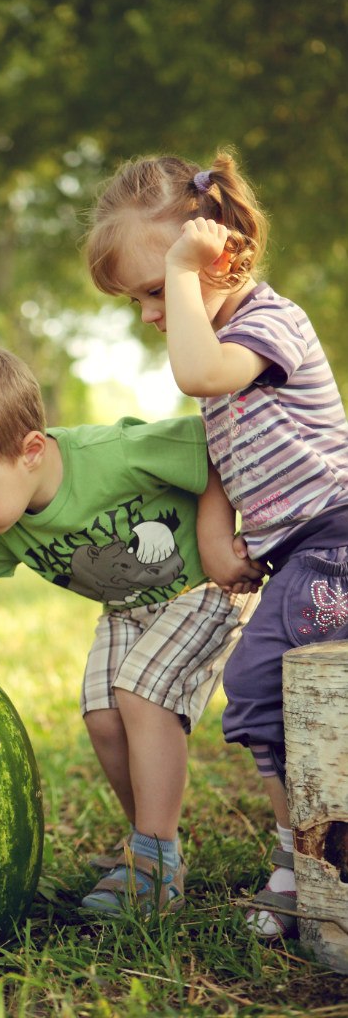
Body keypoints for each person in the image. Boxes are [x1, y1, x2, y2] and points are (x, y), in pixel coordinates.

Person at [0, 341, 261, 917]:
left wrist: (216, 542)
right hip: (129, 609)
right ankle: (148, 842)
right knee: (102, 712)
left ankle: (154, 862)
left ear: (31, 451)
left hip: (204, 590)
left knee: (140, 693)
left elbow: (213, 450)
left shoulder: (113, 455)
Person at [86, 149, 348, 936]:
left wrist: (182, 272)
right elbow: (223, 451)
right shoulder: (228, 337)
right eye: (141, 296)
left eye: (158, 287)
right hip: (296, 554)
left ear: (219, 254)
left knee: (264, 684)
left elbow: (198, 376)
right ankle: (301, 856)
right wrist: (217, 530)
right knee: (273, 697)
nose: (152, 311)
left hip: (334, 541)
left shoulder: (269, 322)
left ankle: (308, 866)